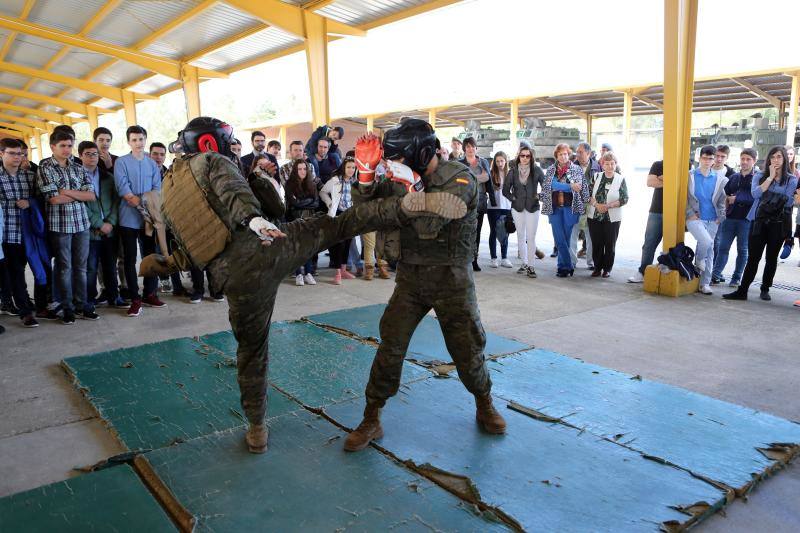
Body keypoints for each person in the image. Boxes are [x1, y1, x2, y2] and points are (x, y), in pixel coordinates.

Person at [141, 116, 466, 453]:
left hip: (230, 278)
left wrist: (170, 263)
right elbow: (233, 192)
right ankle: (404, 205)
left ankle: (256, 430)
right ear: (210, 143)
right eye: (226, 140)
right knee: (337, 224)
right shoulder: (213, 161)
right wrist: (254, 219)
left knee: (251, 352)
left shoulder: (170, 190)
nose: (229, 146)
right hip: (265, 251)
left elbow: (193, 245)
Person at [342, 119, 507, 453]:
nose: (395, 163)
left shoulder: (460, 177)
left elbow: (431, 222)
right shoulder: (399, 177)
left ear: (420, 153)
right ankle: (371, 417)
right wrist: (366, 174)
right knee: (391, 345)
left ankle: (484, 402)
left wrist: (412, 188)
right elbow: (366, 212)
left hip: (452, 279)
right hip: (412, 278)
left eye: (400, 157)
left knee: (467, 348)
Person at [724, 146, 798, 301]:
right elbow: (755, 194)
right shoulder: (759, 175)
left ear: (784, 159)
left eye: (779, 156)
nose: (776, 160)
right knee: (753, 257)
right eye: (773, 157)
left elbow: (788, 201)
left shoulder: (791, 179)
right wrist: (770, 178)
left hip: (778, 223)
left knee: (771, 258)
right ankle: (742, 290)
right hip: (758, 221)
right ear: (768, 159)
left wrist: (767, 195)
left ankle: (765, 288)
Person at [38, 131, 98, 324]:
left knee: (81, 268)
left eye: (69, 146)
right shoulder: (45, 168)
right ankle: (67, 308)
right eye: (62, 145)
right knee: (65, 268)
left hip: (81, 224)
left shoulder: (78, 167)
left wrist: (66, 191)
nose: (66, 149)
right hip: (60, 225)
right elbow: (53, 199)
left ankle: (82, 306)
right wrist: (77, 193)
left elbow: (91, 195)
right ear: (52, 147)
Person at [114, 125, 166, 316]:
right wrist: (142, 205)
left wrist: (149, 209)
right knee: (129, 259)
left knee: (150, 256)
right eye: (134, 140)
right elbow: (124, 190)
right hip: (128, 218)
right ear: (129, 142)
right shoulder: (121, 162)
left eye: (141, 139)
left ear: (145, 140)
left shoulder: (152, 164)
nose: (138, 143)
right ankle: (135, 299)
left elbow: (156, 189)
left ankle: (150, 293)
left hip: (149, 220)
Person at [0, 138, 40, 327]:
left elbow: (41, 200)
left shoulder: (30, 177)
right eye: (12, 153)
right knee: (16, 272)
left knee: (37, 269)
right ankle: (25, 312)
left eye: (20, 153)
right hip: (8, 235)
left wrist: (30, 202)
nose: (18, 157)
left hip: (30, 234)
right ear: (2, 154)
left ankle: (38, 304)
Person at [79, 141, 123, 309]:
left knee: (110, 267)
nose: (92, 157)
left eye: (95, 154)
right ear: (81, 155)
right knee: (90, 268)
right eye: (88, 154)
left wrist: (110, 223)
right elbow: (79, 204)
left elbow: (116, 201)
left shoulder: (107, 177)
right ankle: (89, 300)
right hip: (90, 232)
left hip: (109, 231)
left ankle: (114, 296)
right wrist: (98, 223)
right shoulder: (77, 178)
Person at [541, 143, 589, 277]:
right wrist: (569, 186)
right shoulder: (551, 170)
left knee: (566, 239)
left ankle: (562, 267)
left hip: (570, 209)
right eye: (560, 154)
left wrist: (560, 186)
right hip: (554, 209)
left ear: (569, 155)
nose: (563, 156)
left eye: (565, 154)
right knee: (559, 238)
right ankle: (568, 265)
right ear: (556, 156)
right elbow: (549, 184)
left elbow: (579, 187)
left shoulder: (576, 169)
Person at [686, 145, 728, 295]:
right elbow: (684, 197)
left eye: (710, 158)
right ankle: (698, 261)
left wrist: (720, 217)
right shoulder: (690, 176)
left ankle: (704, 283)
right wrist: (689, 213)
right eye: (705, 158)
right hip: (695, 218)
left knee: (709, 252)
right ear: (700, 158)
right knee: (707, 243)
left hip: (713, 219)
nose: (707, 161)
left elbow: (722, 200)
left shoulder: (718, 179)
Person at [711, 148, 757, 287]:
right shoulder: (734, 177)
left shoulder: (758, 178)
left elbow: (756, 197)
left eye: (748, 159)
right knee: (723, 247)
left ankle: (736, 278)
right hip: (729, 219)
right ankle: (715, 274)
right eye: (743, 159)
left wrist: (736, 198)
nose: (744, 162)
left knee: (742, 250)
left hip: (746, 220)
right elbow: (724, 196)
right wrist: (722, 213)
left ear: (754, 161)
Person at [502, 145, 544, 277]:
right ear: (518, 156)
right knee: (520, 236)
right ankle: (524, 263)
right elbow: (505, 190)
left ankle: (531, 266)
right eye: (522, 155)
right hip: (517, 207)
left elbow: (547, 187)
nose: (525, 158)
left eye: (527, 156)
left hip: (533, 207)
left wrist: (539, 196)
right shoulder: (513, 171)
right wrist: (513, 198)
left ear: (531, 157)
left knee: (531, 237)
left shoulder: (537, 170)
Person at [586, 152, 628, 277]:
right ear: (602, 165)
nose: (610, 166)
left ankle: (607, 269)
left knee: (610, 244)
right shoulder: (596, 177)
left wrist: (608, 206)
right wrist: (597, 205)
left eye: (612, 163)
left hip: (612, 217)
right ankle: (597, 268)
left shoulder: (620, 179)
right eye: (607, 164)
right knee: (597, 243)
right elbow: (587, 194)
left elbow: (624, 198)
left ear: (616, 164)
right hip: (594, 216)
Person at [320, 157, 359, 285]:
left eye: (353, 167)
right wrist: (330, 203)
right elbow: (323, 192)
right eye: (348, 167)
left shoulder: (355, 182)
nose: (351, 170)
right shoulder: (335, 180)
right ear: (344, 167)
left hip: (350, 215)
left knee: (348, 242)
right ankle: (337, 272)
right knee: (338, 244)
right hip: (337, 215)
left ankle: (343, 270)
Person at [628, 159, 664, 283]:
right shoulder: (658, 164)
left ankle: (666, 271)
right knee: (649, 243)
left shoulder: (685, 163)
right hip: (656, 209)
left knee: (672, 245)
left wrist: (662, 178)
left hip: (677, 210)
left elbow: (683, 183)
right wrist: (670, 180)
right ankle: (642, 272)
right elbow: (650, 182)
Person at [284, 159, 319, 286]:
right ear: (295, 170)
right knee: (297, 247)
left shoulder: (312, 184)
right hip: (294, 219)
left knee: (308, 247)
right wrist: (308, 201)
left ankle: (308, 273)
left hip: (309, 220)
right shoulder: (289, 184)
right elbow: (294, 203)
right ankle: (298, 274)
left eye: (304, 169)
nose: (302, 171)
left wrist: (302, 202)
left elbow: (316, 203)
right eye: (299, 169)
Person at [459, 137, 490, 271]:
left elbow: (488, 179)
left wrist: (471, 178)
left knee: (477, 232)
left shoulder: (483, 162)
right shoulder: (460, 163)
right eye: (468, 147)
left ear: (476, 148)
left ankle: (474, 260)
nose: (470, 149)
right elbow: (460, 182)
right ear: (464, 149)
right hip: (464, 203)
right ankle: (464, 259)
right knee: (464, 232)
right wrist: (479, 178)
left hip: (480, 202)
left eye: (473, 146)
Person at [571, 142, 601, 271]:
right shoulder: (572, 167)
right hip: (575, 206)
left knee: (591, 236)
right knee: (572, 235)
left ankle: (591, 262)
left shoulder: (597, 167)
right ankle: (572, 262)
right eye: (577, 152)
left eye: (580, 152)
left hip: (591, 206)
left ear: (588, 153)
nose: (577, 155)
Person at [486, 151, 513, 269]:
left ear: (505, 161)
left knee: (505, 232)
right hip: (493, 206)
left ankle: (504, 258)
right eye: (497, 161)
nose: (500, 163)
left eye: (502, 161)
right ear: (494, 162)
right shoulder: (491, 173)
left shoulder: (511, 173)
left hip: (507, 206)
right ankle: (493, 258)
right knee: (494, 231)